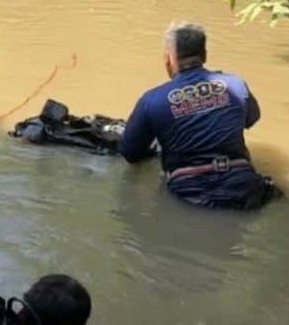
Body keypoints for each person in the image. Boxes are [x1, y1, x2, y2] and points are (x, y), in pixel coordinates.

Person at [119, 21, 280, 210]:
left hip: (189, 197)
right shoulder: (235, 84)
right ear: (204, 55)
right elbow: (252, 119)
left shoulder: (152, 100)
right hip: (245, 189)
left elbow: (129, 153)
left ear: (168, 58)